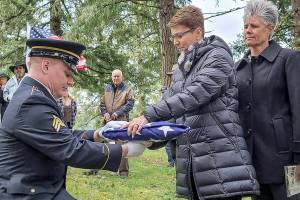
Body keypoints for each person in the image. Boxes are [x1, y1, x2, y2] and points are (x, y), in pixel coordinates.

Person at [125, 5, 259, 200]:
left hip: (221, 164)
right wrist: (147, 134)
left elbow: (192, 95)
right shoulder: (181, 68)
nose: (175, 42)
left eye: (180, 36)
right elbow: (171, 104)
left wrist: (148, 115)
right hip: (193, 166)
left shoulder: (218, 57)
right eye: (173, 37)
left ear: (198, 32)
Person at [0, 37, 130, 200]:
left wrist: (98, 134)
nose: (71, 81)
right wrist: (125, 149)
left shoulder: (33, 95)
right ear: (45, 66)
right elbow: (70, 149)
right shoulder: (32, 101)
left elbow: (60, 135)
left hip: (38, 189)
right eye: (67, 73)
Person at [235, 0, 300, 199]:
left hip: (285, 160)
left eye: (254, 26)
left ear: (270, 29)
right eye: (246, 26)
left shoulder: (289, 59)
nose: (248, 30)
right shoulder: (238, 68)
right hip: (250, 159)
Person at [85, 69, 134, 177]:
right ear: (111, 77)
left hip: (121, 121)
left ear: (122, 77)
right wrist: (105, 114)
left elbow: (130, 104)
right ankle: (94, 168)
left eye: (118, 76)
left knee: (122, 146)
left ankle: (123, 172)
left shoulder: (128, 89)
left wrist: (118, 113)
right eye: (114, 76)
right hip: (107, 120)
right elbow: (102, 104)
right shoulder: (107, 88)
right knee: (98, 143)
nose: (116, 78)